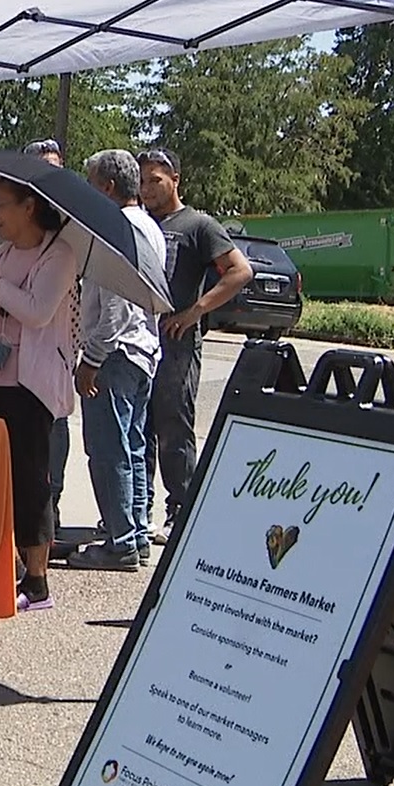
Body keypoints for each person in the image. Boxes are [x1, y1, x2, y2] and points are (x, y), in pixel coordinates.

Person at [0, 177, 80, 611]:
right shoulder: (3, 251)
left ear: (29, 207)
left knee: (30, 478)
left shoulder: (59, 255)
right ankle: (0, 567)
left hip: (30, 385)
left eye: (1, 206)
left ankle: (37, 580)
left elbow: (37, 311)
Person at [136, 146, 253, 543]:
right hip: (137, 339)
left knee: (173, 424)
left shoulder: (198, 225)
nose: (148, 188)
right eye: (143, 180)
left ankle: (181, 509)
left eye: (156, 180)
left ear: (175, 181)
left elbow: (240, 271)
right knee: (139, 426)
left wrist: (195, 312)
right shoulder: (138, 222)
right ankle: (138, 511)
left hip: (176, 343)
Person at [66, 149, 167, 572]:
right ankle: (137, 532)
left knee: (109, 450)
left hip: (117, 351)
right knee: (134, 445)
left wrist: (92, 358)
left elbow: (114, 304)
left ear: (107, 186)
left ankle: (121, 539)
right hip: (143, 348)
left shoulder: (114, 228)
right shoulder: (149, 225)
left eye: (91, 183)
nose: (89, 192)